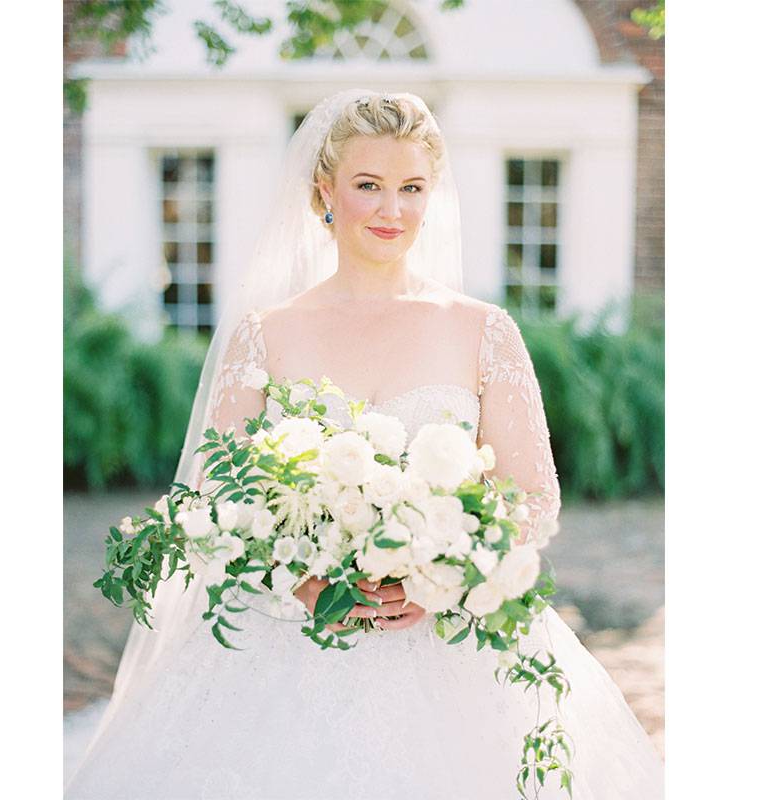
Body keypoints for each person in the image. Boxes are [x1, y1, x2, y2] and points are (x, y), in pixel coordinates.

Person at [66, 90, 664, 799]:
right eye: (368, 186)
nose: (392, 210)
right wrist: (296, 577)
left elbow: (533, 499)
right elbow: (214, 501)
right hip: (284, 640)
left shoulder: (482, 331)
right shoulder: (265, 334)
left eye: (411, 188)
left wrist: (441, 578)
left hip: (451, 646)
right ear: (325, 192)